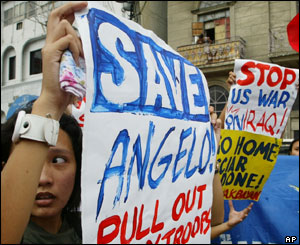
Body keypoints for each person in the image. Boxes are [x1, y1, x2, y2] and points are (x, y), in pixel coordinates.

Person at [1, 2, 88, 244]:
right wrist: (50, 102)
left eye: (58, 160)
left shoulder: (95, 229)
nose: (42, 178)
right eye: (31, 159)